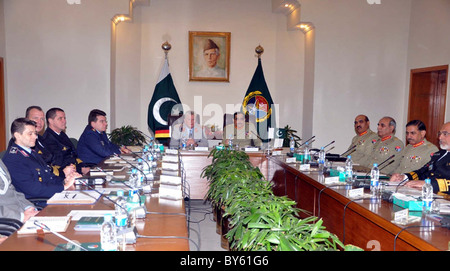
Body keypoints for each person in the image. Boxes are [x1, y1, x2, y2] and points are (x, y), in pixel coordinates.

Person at [2, 118, 79, 201]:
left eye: (35, 133)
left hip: (48, 196)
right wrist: (64, 187)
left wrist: (65, 180)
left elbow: (49, 177)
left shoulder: (32, 152)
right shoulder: (14, 158)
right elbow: (33, 189)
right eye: (30, 134)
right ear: (17, 135)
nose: (35, 137)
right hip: (36, 202)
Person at [390, 122, 450, 194]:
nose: (440, 137)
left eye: (445, 134)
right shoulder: (438, 154)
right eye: (440, 134)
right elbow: (423, 172)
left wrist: (427, 184)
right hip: (431, 195)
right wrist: (404, 177)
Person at [42, 107, 89, 175]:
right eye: (60, 118)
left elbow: (74, 154)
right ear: (51, 121)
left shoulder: (62, 134)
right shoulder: (48, 139)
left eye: (64, 118)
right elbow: (59, 162)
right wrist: (80, 169)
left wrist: (83, 166)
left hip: (74, 170)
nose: (64, 121)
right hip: (63, 174)